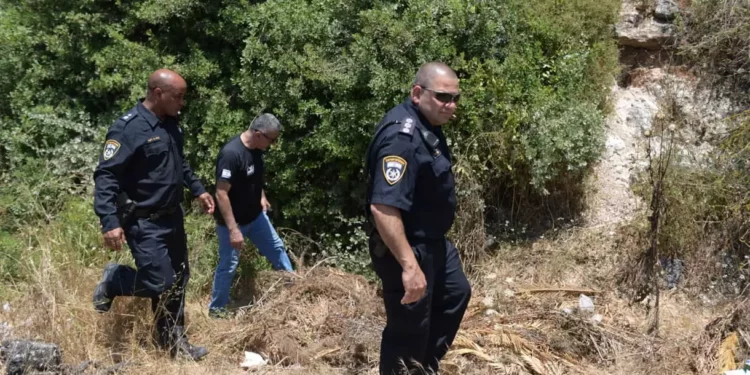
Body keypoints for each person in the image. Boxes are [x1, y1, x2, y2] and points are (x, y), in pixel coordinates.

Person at [92, 69, 215, 361]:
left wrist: (198, 189)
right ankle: (115, 280)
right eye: (178, 97)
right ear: (158, 93)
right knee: (160, 281)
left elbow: (180, 163)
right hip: (142, 220)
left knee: (178, 280)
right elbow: (106, 176)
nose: (182, 103)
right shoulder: (127, 129)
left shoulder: (170, 123)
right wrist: (109, 221)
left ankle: (174, 343)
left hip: (172, 218)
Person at [364, 61, 472, 374]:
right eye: (442, 97)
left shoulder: (427, 125)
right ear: (417, 93)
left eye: (455, 98)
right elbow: (383, 208)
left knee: (456, 293)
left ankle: (423, 368)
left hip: (434, 242)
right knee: (409, 330)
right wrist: (409, 266)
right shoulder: (402, 139)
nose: (450, 105)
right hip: (408, 248)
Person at [208, 114, 294, 317]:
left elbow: (254, 178)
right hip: (233, 223)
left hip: (256, 218)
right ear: (257, 134)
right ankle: (217, 311)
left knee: (278, 250)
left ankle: (295, 291)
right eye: (271, 140)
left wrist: (261, 197)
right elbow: (221, 193)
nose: (273, 144)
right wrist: (233, 230)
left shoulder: (257, 150)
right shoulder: (231, 154)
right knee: (228, 265)